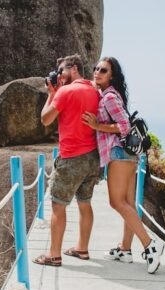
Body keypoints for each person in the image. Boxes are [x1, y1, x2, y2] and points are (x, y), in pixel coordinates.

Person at [82, 57, 164, 274]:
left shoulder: (109, 96)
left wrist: (96, 125)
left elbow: (124, 126)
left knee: (117, 202)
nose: (97, 72)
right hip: (127, 155)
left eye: (103, 70)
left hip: (119, 153)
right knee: (127, 202)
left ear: (112, 76)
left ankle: (150, 245)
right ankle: (125, 249)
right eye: (96, 69)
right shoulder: (111, 94)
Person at [32, 54, 100, 266]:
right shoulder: (94, 90)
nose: (59, 75)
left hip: (71, 157)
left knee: (58, 206)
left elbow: (46, 119)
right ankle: (82, 248)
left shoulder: (65, 91)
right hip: (92, 156)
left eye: (62, 70)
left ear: (74, 69)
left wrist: (51, 94)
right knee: (85, 202)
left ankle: (53, 255)